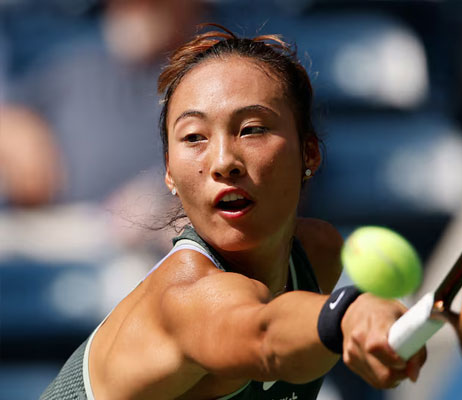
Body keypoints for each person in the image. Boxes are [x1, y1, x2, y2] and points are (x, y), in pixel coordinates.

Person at [40, 24, 427, 399]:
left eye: (252, 129)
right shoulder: (184, 297)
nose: (223, 161)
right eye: (194, 137)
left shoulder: (317, 253)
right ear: (170, 173)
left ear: (309, 152)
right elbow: (264, 334)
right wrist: (348, 315)